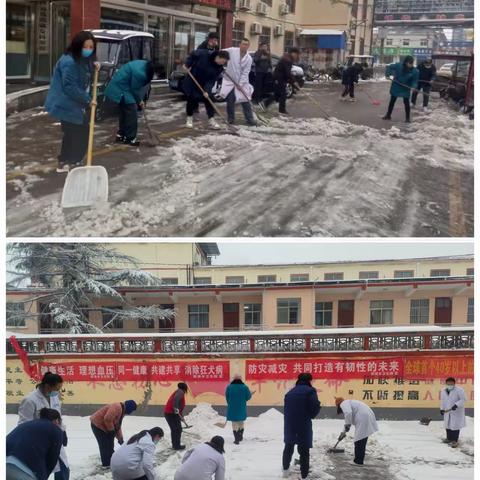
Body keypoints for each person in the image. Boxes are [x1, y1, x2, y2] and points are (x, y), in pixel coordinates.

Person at [45, 30, 100, 173]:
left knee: (72, 134)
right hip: (67, 104)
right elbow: (70, 87)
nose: (88, 50)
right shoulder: (69, 62)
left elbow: (84, 72)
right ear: (77, 45)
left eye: (91, 47)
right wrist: (88, 100)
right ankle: (73, 163)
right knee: (79, 134)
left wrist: (94, 66)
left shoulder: (80, 59)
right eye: (85, 47)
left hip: (74, 103)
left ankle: (65, 162)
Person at [18, 372, 69, 480]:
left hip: (54, 437)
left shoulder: (54, 397)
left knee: (63, 468)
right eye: (57, 388)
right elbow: (23, 424)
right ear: (47, 386)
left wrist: (63, 431)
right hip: (38, 442)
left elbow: (58, 415)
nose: (58, 391)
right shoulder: (29, 400)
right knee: (41, 470)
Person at [105, 60, 155, 146]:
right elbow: (134, 89)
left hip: (119, 86)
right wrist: (139, 100)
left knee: (124, 113)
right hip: (121, 89)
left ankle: (121, 135)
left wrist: (139, 100)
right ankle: (130, 138)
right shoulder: (141, 74)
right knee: (132, 113)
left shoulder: (143, 64)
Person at [7, 407, 64, 480]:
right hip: (24, 471)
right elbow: (52, 459)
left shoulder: (26, 425)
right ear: (57, 420)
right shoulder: (55, 430)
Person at [282, 373, 321, 479]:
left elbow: (286, 408)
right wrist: (312, 415)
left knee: (288, 446)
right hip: (303, 423)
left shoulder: (290, 392)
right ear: (309, 381)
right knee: (304, 450)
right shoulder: (310, 391)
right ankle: (304, 475)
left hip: (290, 423)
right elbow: (314, 407)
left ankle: (285, 471)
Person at [182, 50, 230, 129]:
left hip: (205, 84)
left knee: (209, 99)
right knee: (192, 99)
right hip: (194, 79)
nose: (223, 64)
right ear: (218, 57)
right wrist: (187, 64)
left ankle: (211, 119)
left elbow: (212, 80)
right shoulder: (204, 55)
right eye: (222, 61)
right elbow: (193, 55)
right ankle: (189, 118)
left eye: (224, 62)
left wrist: (207, 90)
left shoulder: (219, 68)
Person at [220, 38, 256, 126]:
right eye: (243, 44)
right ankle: (231, 119)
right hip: (230, 81)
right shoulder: (232, 51)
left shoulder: (249, 59)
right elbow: (221, 52)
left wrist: (240, 84)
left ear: (248, 46)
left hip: (242, 83)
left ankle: (250, 119)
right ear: (240, 44)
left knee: (245, 100)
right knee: (230, 100)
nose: (244, 46)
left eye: (246, 45)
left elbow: (245, 73)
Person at [90, 400, 138, 467]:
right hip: (97, 425)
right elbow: (107, 419)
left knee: (110, 444)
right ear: (129, 408)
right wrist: (111, 431)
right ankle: (106, 465)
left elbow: (117, 426)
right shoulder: (117, 407)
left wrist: (120, 439)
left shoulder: (122, 412)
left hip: (105, 426)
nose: (131, 413)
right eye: (132, 411)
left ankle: (111, 462)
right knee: (104, 445)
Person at [335, 397, 378, 466]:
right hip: (366, 416)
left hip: (363, 417)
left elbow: (348, 413)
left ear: (338, 404)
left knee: (359, 439)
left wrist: (347, 425)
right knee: (362, 438)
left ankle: (358, 461)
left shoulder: (343, 403)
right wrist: (343, 432)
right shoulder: (350, 403)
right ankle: (359, 460)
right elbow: (349, 417)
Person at [263, 48, 301, 115]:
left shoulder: (287, 58)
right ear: (293, 53)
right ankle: (282, 110)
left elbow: (287, 73)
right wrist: (294, 82)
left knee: (278, 94)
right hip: (279, 78)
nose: (297, 57)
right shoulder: (288, 60)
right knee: (283, 94)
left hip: (279, 78)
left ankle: (266, 103)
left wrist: (293, 82)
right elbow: (288, 73)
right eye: (297, 55)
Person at [382, 55, 419, 123]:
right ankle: (388, 115)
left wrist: (414, 86)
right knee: (392, 101)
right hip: (396, 86)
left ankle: (407, 118)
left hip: (405, 88)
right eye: (409, 63)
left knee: (406, 102)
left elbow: (415, 81)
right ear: (405, 62)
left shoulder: (415, 71)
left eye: (411, 63)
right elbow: (389, 67)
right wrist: (387, 74)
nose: (410, 65)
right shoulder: (399, 65)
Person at [225, 374, 252, 444]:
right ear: (241, 379)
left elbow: (227, 397)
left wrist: (230, 403)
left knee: (234, 423)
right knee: (241, 422)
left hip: (232, 408)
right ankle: (240, 436)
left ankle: (236, 439)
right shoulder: (245, 387)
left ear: (233, 379)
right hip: (241, 408)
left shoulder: (229, 387)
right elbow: (248, 397)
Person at [440, 377, 466, 448]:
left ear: (454, 383)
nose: (449, 385)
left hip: (456, 411)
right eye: (448, 384)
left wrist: (456, 405)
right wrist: (442, 409)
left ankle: (454, 441)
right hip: (447, 411)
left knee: (455, 426)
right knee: (447, 425)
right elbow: (442, 401)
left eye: (451, 384)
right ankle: (448, 439)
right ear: (446, 383)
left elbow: (463, 399)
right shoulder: (443, 390)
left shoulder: (460, 390)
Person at [164, 383, 189, 450]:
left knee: (177, 429)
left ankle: (176, 445)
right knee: (176, 430)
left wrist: (181, 416)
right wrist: (175, 408)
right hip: (171, 414)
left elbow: (179, 405)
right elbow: (175, 400)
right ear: (185, 388)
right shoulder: (180, 392)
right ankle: (176, 446)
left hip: (172, 414)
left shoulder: (178, 391)